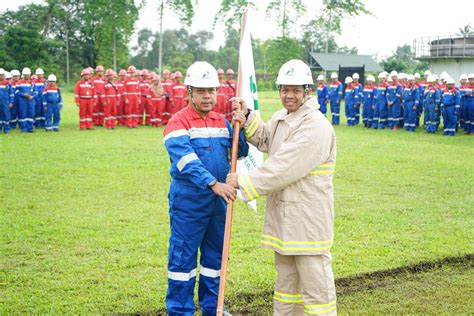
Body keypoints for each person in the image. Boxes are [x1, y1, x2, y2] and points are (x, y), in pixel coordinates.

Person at [227, 59, 337, 316]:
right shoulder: (282, 118)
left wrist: (244, 182)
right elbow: (266, 139)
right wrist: (248, 118)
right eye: (285, 89)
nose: (289, 95)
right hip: (285, 222)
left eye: (295, 90)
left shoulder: (316, 126)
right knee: (287, 288)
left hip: (308, 223)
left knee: (316, 292)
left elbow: (284, 167)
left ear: (307, 91)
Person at [163, 61, 248, 315]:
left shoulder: (222, 121)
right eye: (201, 91)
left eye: (212, 90)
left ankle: (214, 308)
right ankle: (180, 311)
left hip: (218, 202)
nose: (208, 96)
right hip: (189, 202)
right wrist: (213, 184)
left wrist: (238, 126)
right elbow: (187, 162)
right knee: (182, 261)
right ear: (189, 92)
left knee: (215, 259)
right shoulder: (178, 123)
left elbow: (240, 152)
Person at [16, 67, 37, 133]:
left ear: (30, 75)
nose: (27, 76)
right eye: (25, 75)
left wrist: (32, 96)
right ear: (23, 75)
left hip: (31, 100)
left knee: (31, 113)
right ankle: (24, 128)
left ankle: (30, 128)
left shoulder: (32, 83)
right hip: (22, 101)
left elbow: (36, 92)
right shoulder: (19, 82)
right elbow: (16, 92)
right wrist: (23, 95)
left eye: (28, 75)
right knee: (23, 114)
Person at [0, 68, 13, 133]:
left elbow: (11, 94)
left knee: (6, 115)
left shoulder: (7, 84)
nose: (0, 76)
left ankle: (7, 129)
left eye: (2, 75)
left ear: (4, 75)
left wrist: (11, 102)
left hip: (5, 102)